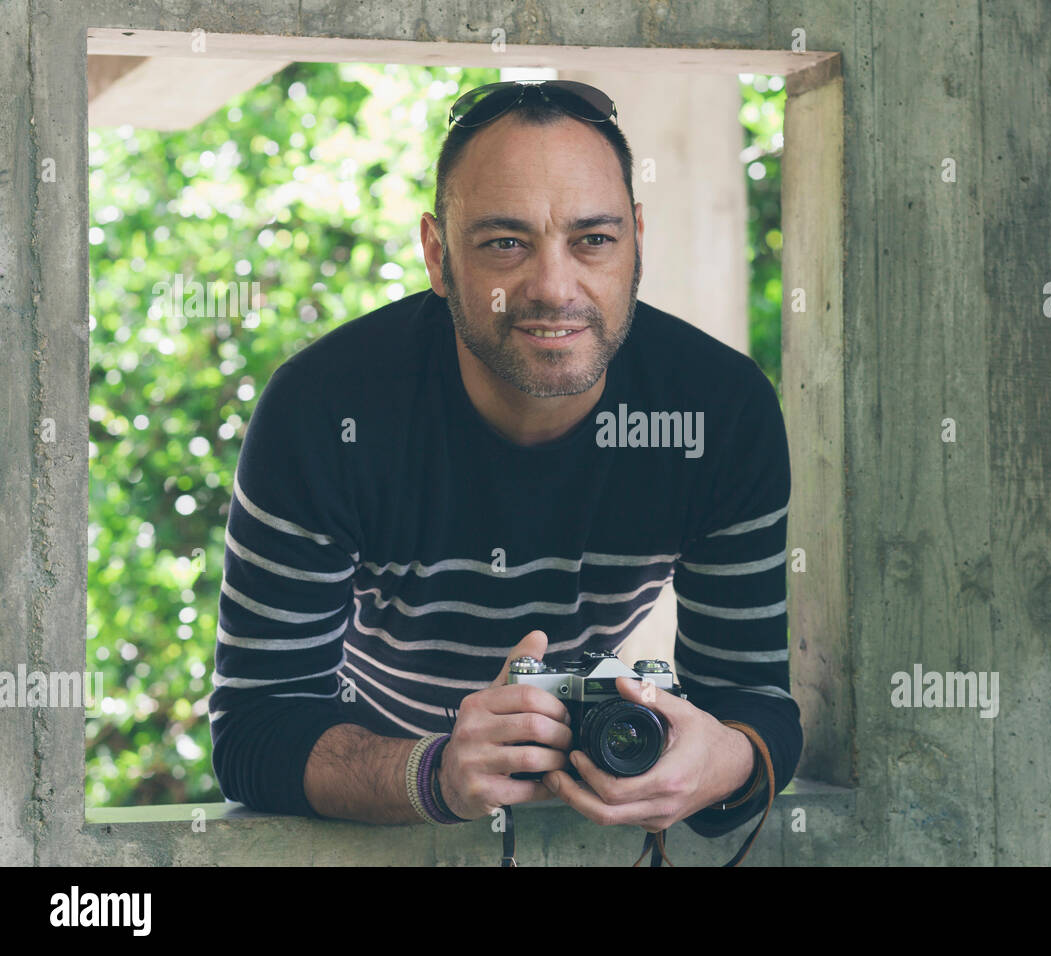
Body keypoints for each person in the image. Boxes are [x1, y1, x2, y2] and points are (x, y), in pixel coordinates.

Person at [210, 80, 801, 846]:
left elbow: (756, 705)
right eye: (504, 243)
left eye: (593, 239)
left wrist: (711, 763)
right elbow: (255, 731)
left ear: (637, 242)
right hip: (372, 795)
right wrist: (440, 774)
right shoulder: (322, 412)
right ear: (437, 254)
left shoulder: (719, 415)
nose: (555, 289)